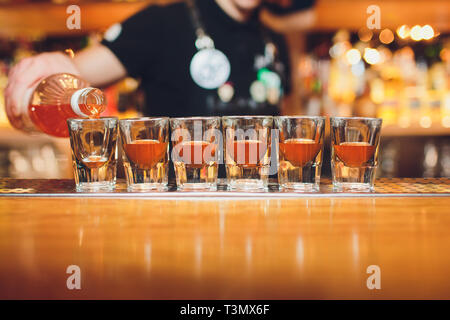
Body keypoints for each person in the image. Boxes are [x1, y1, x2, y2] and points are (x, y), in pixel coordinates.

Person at [4, 0, 315, 121]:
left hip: (258, 217)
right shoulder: (162, 23)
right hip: (175, 219)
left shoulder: (275, 40)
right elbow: (73, 74)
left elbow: (289, 121)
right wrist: (51, 67)